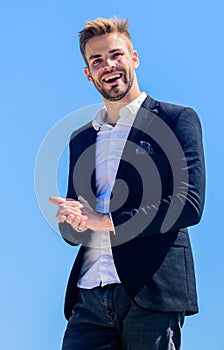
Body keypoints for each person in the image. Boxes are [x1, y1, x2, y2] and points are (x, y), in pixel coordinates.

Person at [49, 17, 205, 350]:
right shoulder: (81, 139)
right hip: (89, 297)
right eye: (97, 61)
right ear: (88, 74)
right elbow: (79, 222)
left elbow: (188, 203)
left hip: (151, 291)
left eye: (116, 55)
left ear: (134, 58)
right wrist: (71, 223)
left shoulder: (176, 119)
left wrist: (104, 221)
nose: (108, 65)